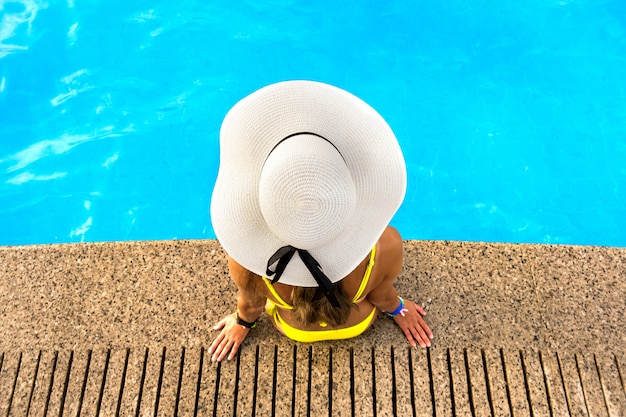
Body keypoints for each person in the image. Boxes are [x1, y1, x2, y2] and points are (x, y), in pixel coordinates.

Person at [208, 81, 433, 362]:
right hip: (354, 323)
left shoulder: (248, 262)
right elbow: (382, 297)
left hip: (295, 328)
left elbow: (251, 304)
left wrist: (243, 323)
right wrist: (398, 309)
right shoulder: (385, 246)